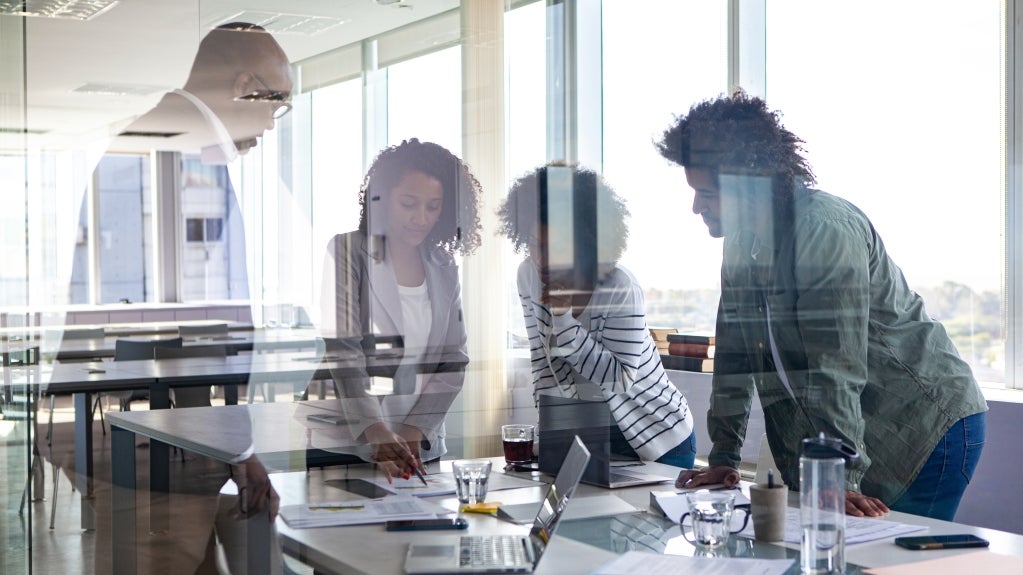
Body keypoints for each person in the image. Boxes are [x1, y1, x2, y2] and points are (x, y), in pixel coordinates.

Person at [657, 91, 987, 520]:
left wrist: (839, 478)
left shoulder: (823, 229)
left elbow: (834, 367)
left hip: (923, 428)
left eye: (708, 194)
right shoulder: (742, 244)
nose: (696, 206)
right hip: (857, 432)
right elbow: (735, 356)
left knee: (879, 558)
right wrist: (723, 457)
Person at [54, 22, 292, 574]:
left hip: (174, 448)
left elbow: (196, 328)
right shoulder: (168, 149)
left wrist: (239, 451)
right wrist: (236, 449)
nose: (272, 124)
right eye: (275, 104)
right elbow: (167, 331)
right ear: (245, 85)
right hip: (152, 456)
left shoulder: (181, 146)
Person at [497, 164, 697, 468]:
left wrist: (563, 321)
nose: (543, 260)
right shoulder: (528, 275)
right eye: (536, 245)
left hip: (658, 439)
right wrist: (552, 438)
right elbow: (543, 367)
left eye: (557, 247)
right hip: (590, 437)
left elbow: (620, 379)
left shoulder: (620, 286)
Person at [320, 138, 481, 479]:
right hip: (355, 447)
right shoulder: (348, 251)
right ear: (381, 198)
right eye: (409, 203)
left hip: (419, 449)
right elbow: (344, 351)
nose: (421, 218)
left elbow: (454, 361)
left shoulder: (443, 264)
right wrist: (376, 432)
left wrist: (413, 431)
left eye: (433, 207)